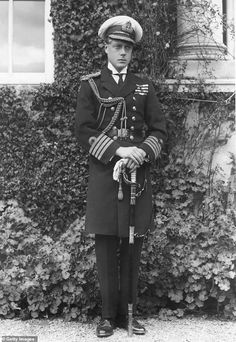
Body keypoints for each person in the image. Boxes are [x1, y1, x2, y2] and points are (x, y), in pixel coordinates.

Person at [75, 15, 167, 337]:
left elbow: (159, 129)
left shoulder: (144, 86)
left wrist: (141, 151)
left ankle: (130, 316)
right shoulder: (91, 85)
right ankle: (106, 317)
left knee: (132, 249)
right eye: (117, 46)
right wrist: (118, 150)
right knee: (105, 249)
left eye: (128, 47)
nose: (123, 52)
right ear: (106, 48)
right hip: (104, 178)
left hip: (136, 179)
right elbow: (83, 129)